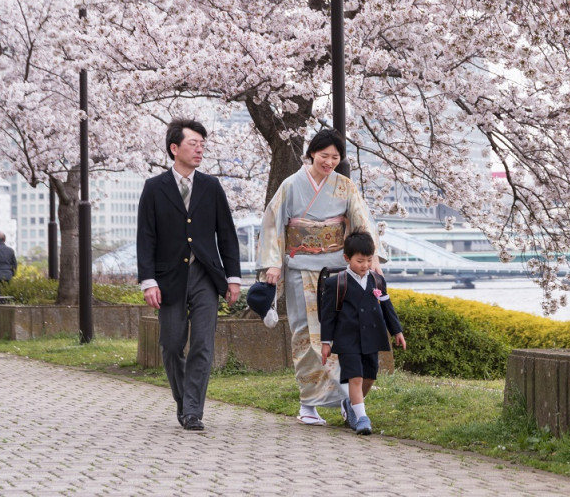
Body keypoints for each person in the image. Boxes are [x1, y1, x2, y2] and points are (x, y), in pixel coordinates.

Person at [258, 128, 385, 427]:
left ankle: (347, 399)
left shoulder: (345, 186)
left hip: (338, 272)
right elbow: (274, 223)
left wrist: (372, 257)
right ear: (312, 153)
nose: (329, 162)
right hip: (301, 267)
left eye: (335, 157)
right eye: (324, 155)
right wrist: (273, 264)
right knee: (305, 334)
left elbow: (361, 220)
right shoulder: (291, 185)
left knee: (340, 334)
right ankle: (308, 403)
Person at [137, 118, 241, 431]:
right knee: (170, 345)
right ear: (174, 148)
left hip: (206, 276)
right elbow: (146, 237)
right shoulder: (155, 188)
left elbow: (227, 233)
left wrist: (233, 277)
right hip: (168, 278)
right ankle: (184, 402)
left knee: (202, 345)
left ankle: (193, 411)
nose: (199, 149)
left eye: (202, 145)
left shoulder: (210, 186)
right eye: (193, 144)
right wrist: (148, 281)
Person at [319, 231, 406, 435]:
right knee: (355, 378)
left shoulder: (377, 281)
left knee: (369, 377)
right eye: (360, 261)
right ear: (347, 258)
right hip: (347, 337)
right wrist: (326, 342)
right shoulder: (336, 283)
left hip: (371, 337)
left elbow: (387, 307)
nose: (365, 265)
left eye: (368, 260)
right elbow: (328, 315)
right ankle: (362, 419)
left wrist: (397, 331)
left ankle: (351, 404)